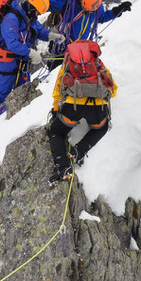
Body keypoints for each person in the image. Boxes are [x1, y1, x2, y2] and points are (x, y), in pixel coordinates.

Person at [0, 0, 62, 133]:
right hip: (6, 60)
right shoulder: (11, 17)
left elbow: (39, 31)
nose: (38, 15)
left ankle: (17, 121)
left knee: (24, 89)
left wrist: (52, 36)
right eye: (37, 12)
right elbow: (11, 43)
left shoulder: (29, 17)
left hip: (21, 59)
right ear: (31, 7)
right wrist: (30, 52)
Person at [46, 40, 117, 185]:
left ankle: (62, 167)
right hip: (98, 108)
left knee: (56, 132)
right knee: (101, 128)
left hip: (73, 106)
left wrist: (55, 111)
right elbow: (113, 89)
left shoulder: (68, 63)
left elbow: (58, 91)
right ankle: (78, 152)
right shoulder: (97, 63)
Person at [43, 0, 130, 70]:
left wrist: (117, 11)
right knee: (56, 74)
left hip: (80, 48)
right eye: (84, 7)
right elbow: (47, 5)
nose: (86, 11)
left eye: (90, 10)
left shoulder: (97, 6)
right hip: (61, 46)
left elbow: (101, 17)